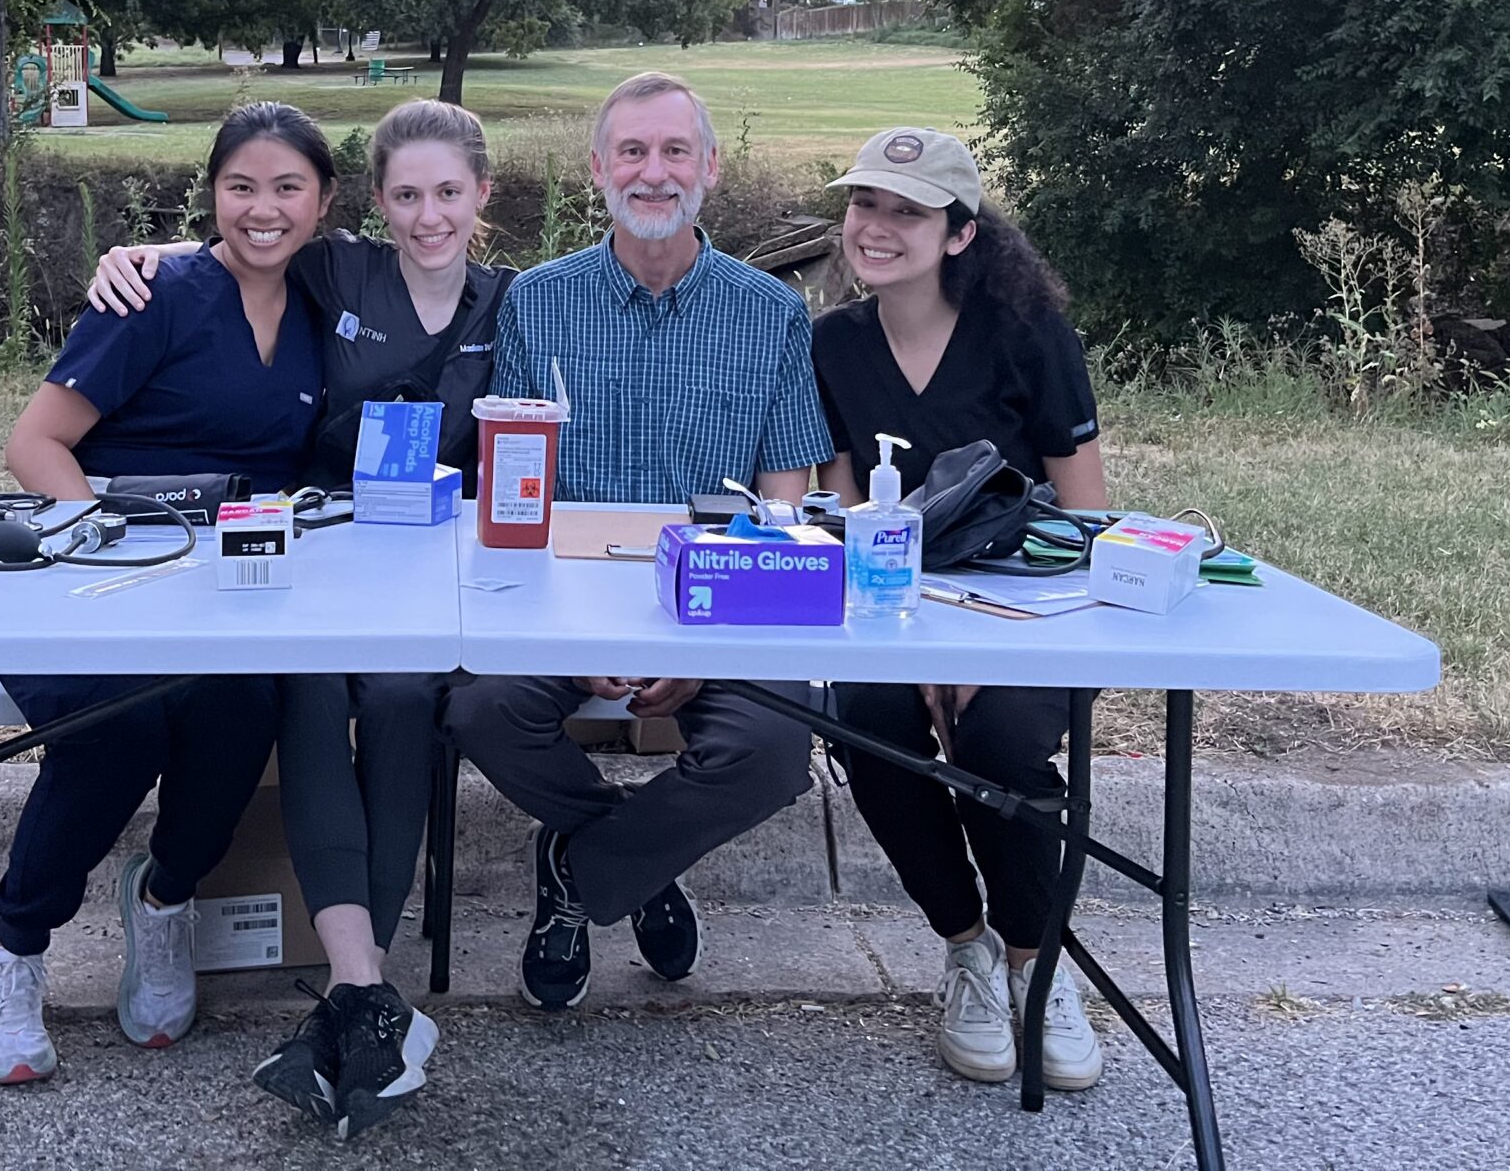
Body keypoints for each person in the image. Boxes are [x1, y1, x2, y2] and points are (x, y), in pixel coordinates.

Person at [83, 98, 510, 1133]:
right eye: (405, 194)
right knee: (311, 694)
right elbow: (242, 248)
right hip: (309, 558)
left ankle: (355, 1000)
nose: (426, 216)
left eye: (447, 193)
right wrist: (136, 253)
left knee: (405, 701)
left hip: (426, 572)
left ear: (481, 197)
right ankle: (365, 990)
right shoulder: (340, 271)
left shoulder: (513, 303)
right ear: (374, 201)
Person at [443, 71, 835, 1012]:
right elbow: (514, 499)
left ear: (708, 166)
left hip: (721, 606)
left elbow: (784, 513)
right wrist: (574, 645)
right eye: (631, 151)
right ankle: (640, 867)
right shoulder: (537, 304)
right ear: (598, 169)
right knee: (479, 709)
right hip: (562, 605)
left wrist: (701, 651)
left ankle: (583, 867)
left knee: (778, 748)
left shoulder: (771, 313)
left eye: (672, 152)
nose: (652, 173)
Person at [0, 102, 333, 1088]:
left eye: (286, 187)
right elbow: (33, 445)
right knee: (120, 725)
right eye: (239, 187)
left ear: (323, 202)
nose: (263, 209)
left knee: (237, 706)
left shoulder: (321, 304)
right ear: (211, 195)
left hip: (227, 586)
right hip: (88, 573)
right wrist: (107, 543)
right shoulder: (155, 295)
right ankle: (15, 951)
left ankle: (166, 904)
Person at [809, 126, 1110, 1094]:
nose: (878, 227)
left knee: (998, 743)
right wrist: (924, 644)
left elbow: (1086, 516)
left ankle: (1038, 965)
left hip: (1033, 612)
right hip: (899, 610)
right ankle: (967, 950)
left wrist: (975, 644)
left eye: (907, 211)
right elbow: (849, 513)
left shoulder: (1027, 336)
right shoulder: (833, 344)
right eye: (865, 204)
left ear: (960, 234)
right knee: (868, 722)